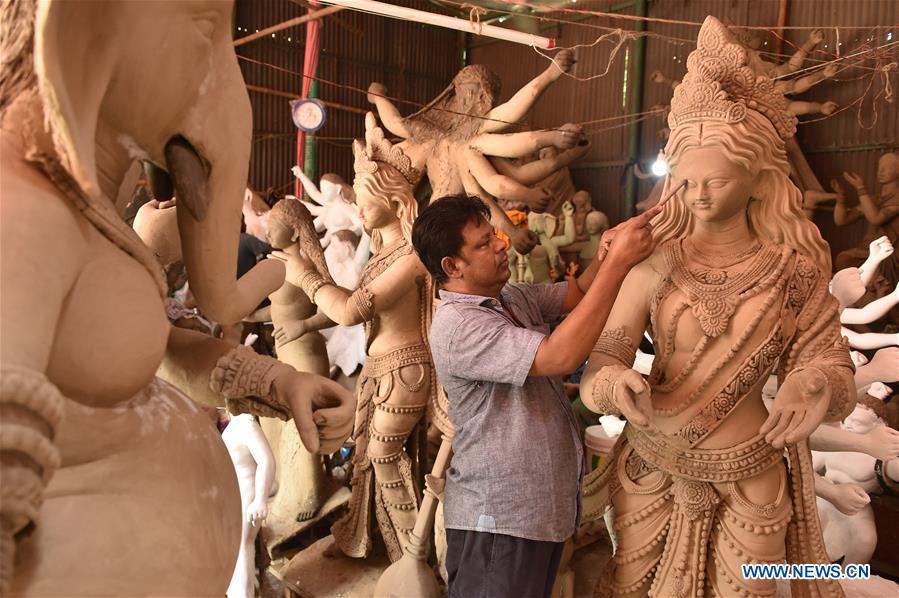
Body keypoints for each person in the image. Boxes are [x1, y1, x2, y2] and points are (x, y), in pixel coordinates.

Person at [579, 17, 855, 597]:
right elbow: (600, 362)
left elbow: (829, 362)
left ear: (757, 181)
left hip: (750, 472)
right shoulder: (653, 264)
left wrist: (813, 385)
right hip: (650, 465)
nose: (699, 195)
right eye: (687, 181)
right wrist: (612, 386)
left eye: (718, 182)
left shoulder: (794, 271)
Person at [411, 194, 657, 597]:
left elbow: (577, 291)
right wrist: (618, 265)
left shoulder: (511, 298)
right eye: (483, 244)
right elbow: (560, 356)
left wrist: (606, 251)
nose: (501, 244)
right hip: (498, 518)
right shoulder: (458, 326)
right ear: (452, 267)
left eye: (494, 235)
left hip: (537, 510)